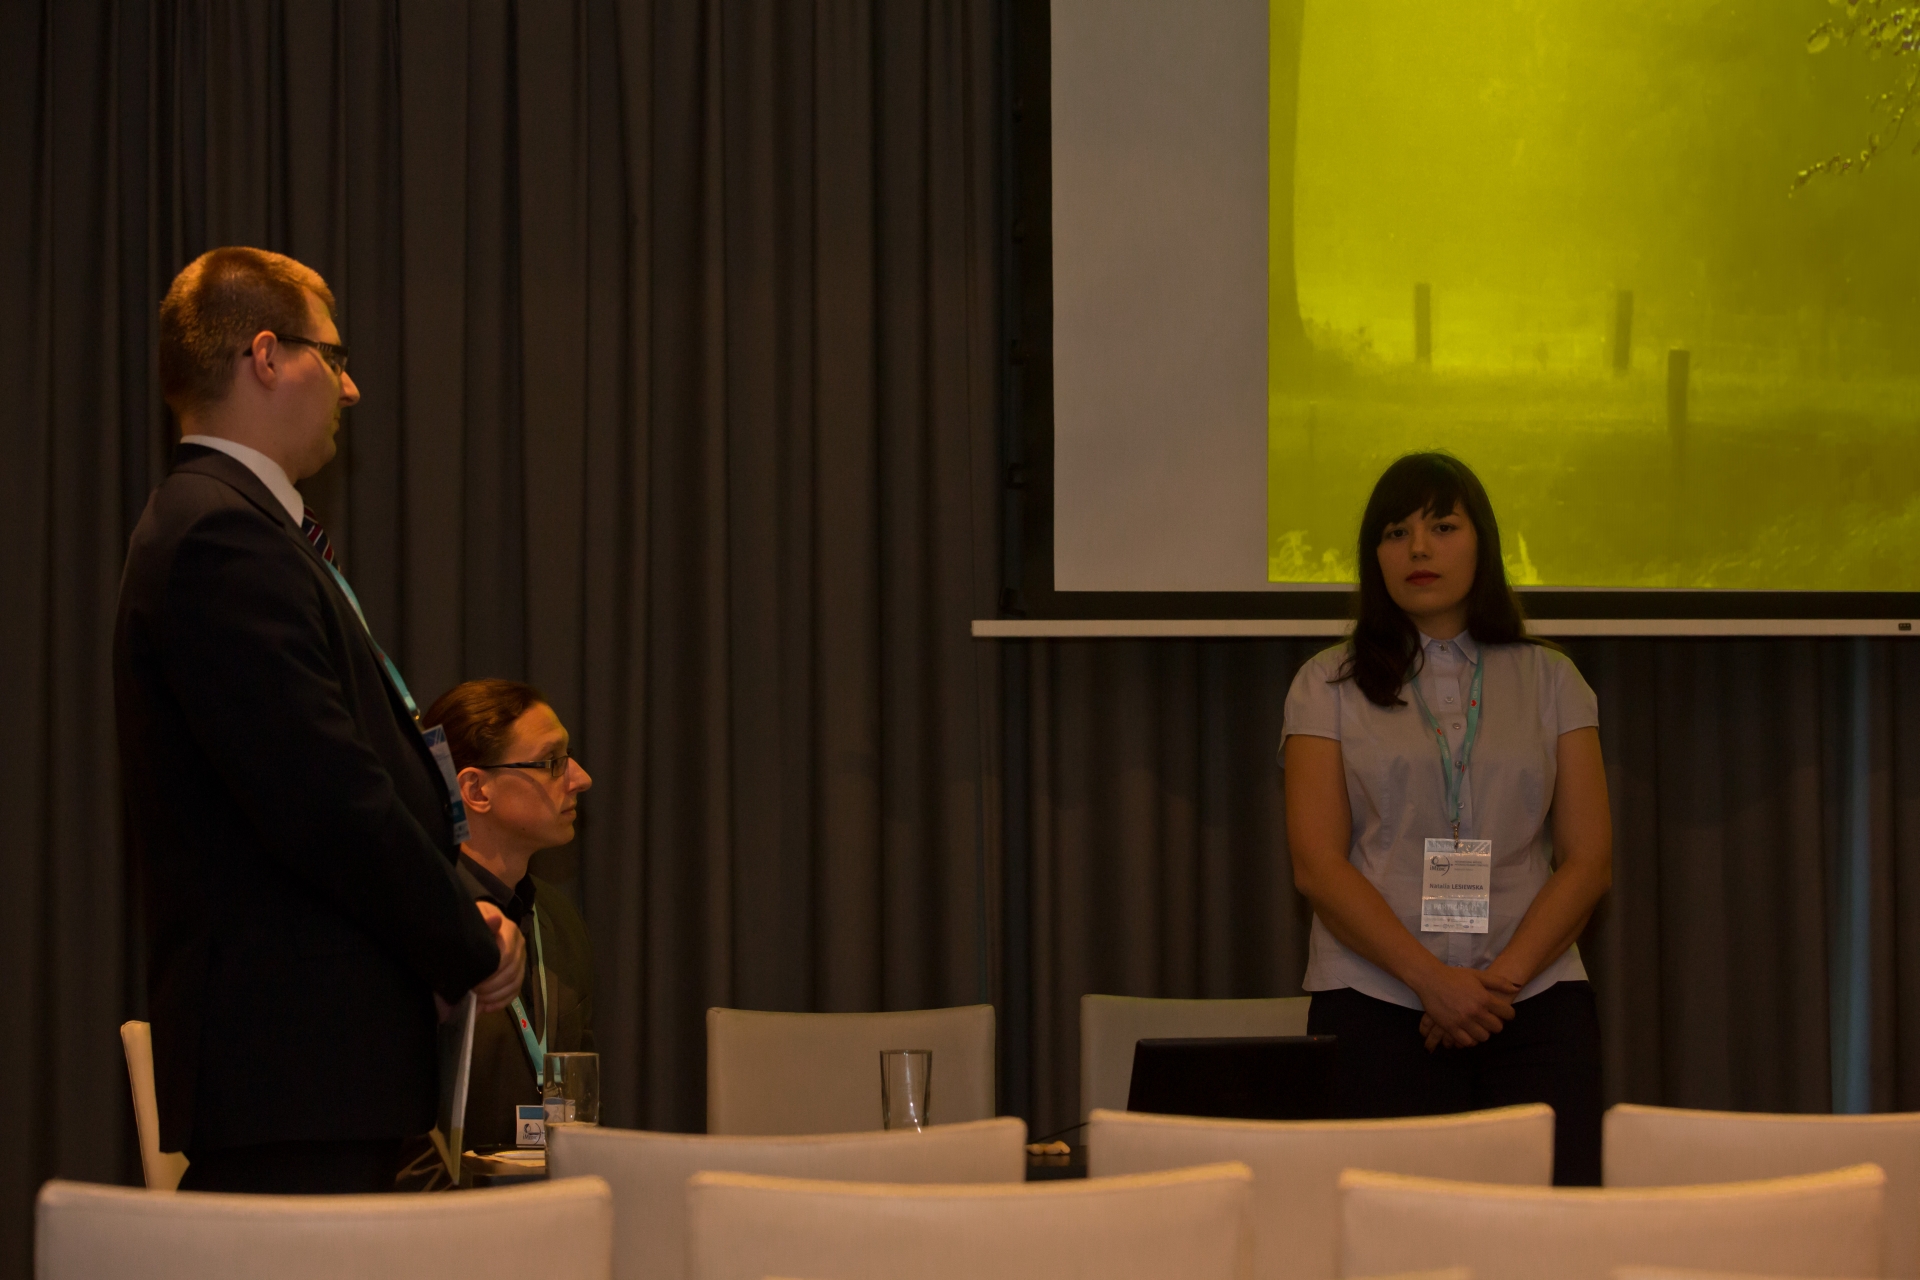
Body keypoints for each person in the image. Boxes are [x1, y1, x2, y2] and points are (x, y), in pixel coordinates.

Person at [115, 246, 527, 1194]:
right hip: (296, 1076)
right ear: (266, 356)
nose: (351, 387)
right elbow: (328, 799)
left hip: (315, 1076)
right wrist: (462, 941)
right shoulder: (222, 536)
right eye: (333, 357)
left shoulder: (237, 527)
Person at [1281, 452, 1612, 1184]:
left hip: (1533, 1005)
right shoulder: (1324, 685)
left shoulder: (1553, 679)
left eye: (1442, 526)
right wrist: (1431, 981)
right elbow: (1318, 866)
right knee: (1388, 1230)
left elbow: (1589, 860)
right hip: (1376, 1000)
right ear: (1374, 558)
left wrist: (1494, 985)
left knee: (1550, 1229)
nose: (1419, 549)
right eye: (1396, 533)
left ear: (1482, 542)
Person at [413, 679, 597, 1158]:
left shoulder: (560, 922)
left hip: (553, 1192)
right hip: (438, 1198)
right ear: (476, 790)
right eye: (552, 761)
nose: (580, 778)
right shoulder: (418, 922)